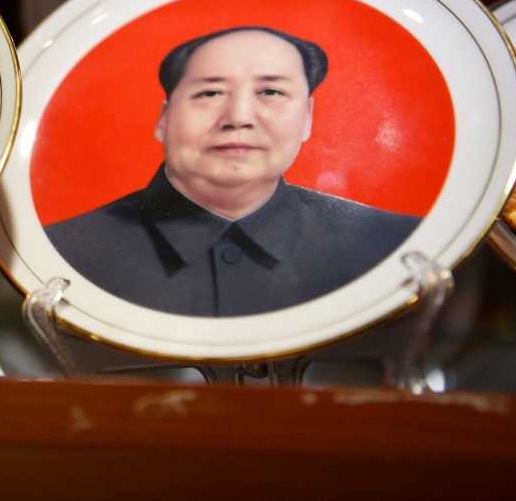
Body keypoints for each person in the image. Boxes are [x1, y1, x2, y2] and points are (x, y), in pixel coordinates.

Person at [44, 26, 420, 317]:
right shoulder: (58, 253)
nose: (238, 117)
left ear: (307, 117)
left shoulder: (395, 243)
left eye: (270, 92)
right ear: (163, 118)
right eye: (210, 93)